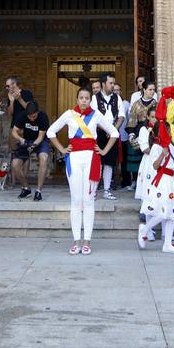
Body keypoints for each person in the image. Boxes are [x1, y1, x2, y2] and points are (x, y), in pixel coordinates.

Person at [48, 85, 117, 254]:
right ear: (77, 99)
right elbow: (51, 132)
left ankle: (87, 241)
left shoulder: (96, 115)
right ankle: (76, 241)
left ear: (90, 99)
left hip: (92, 159)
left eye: (87, 98)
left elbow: (114, 132)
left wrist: (104, 151)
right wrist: (62, 149)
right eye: (81, 98)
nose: (84, 101)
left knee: (88, 200)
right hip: (74, 159)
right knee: (76, 200)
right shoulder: (69, 115)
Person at [135, 88, 174, 255]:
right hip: (162, 180)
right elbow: (156, 166)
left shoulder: (170, 146)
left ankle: (167, 244)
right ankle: (145, 229)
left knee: (171, 212)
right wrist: (162, 155)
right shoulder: (157, 147)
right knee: (162, 211)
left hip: (172, 180)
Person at [10, 100, 50, 201]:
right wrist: (20, 139)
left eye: (34, 116)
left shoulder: (43, 117)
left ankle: (38, 191)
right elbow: (14, 131)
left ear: (38, 112)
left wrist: (34, 145)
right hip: (27, 140)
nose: (32, 119)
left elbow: (41, 136)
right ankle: (26, 188)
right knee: (15, 164)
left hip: (41, 140)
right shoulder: (22, 116)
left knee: (43, 158)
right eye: (30, 117)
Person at [93, 72, 123, 198]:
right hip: (99, 134)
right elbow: (94, 117)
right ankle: (93, 191)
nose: (112, 85)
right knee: (97, 162)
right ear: (103, 84)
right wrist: (106, 130)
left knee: (109, 163)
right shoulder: (94, 98)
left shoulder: (117, 98)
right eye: (110, 83)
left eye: (113, 83)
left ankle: (106, 191)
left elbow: (121, 116)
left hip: (112, 134)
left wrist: (112, 131)